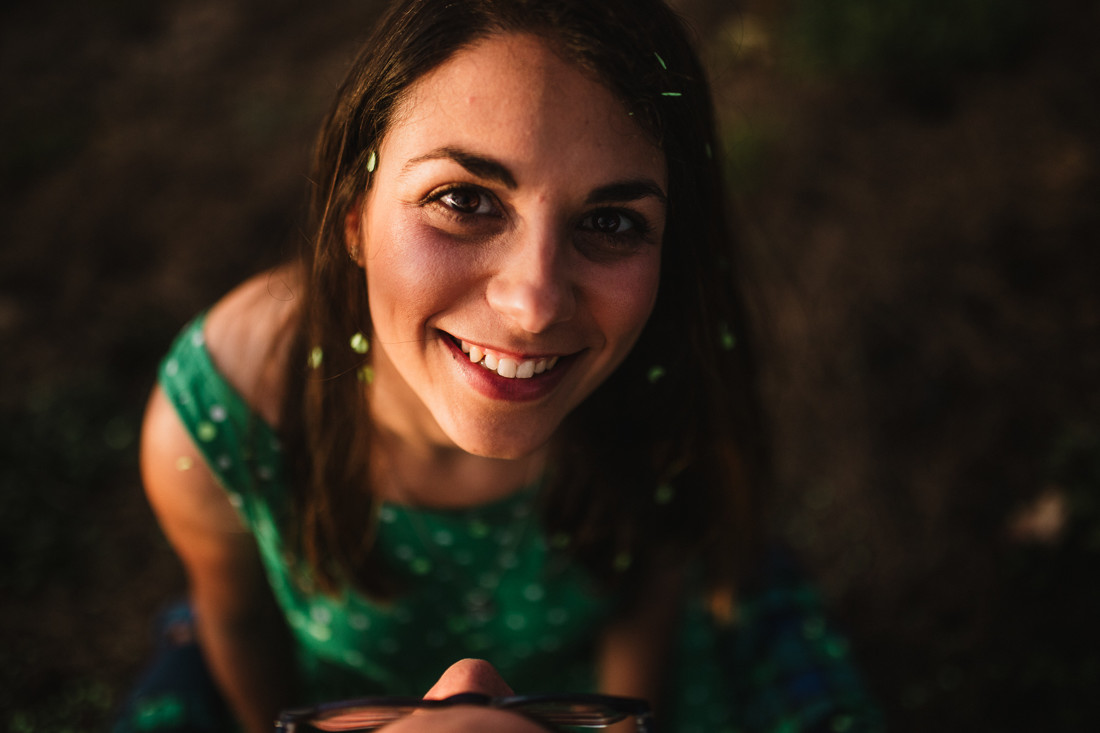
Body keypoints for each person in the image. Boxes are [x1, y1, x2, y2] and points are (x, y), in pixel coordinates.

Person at [116, 0, 880, 731]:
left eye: (612, 221)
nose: (534, 304)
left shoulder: (659, 369)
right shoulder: (225, 417)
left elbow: (644, 601)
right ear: (354, 218)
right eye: (465, 200)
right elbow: (241, 624)